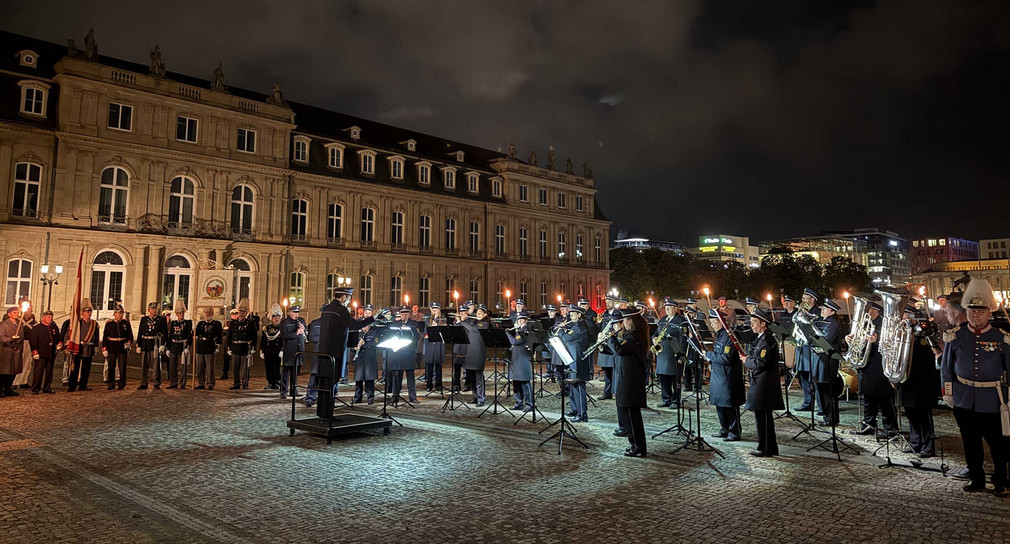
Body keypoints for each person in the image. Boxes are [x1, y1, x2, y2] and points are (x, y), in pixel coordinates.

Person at [941, 279, 1010, 495]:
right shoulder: (955, 337)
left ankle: (1001, 481)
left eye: (980, 311)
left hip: (993, 399)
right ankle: (977, 478)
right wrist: (949, 394)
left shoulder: (1002, 338)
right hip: (964, 399)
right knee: (970, 444)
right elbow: (946, 369)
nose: (975, 315)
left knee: (998, 445)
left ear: (989, 312)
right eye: (971, 310)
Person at [313, 285, 375, 417]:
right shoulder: (341, 310)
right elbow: (355, 325)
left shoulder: (326, 309)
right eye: (348, 298)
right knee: (332, 385)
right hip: (335, 353)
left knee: (323, 385)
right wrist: (371, 319)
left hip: (323, 353)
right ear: (344, 297)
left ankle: (321, 413)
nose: (348, 301)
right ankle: (328, 415)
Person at [848, 302, 898, 437]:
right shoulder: (863, 324)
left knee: (885, 399)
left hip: (880, 366)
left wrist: (876, 341)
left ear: (875, 310)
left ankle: (891, 428)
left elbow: (890, 344)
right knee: (868, 398)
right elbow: (859, 344)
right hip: (867, 366)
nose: (866, 312)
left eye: (868, 309)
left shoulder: (884, 324)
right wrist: (851, 340)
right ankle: (868, 425)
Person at [608, 307, 649, 457]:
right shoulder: (629, 336)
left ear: (630, 321)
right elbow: (617, 350)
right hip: (626, 379)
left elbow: (619, 349)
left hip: (632, 382)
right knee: (627, 414)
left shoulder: (635, 338)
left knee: (632, 416)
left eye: (624, 320)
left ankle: (639, 447)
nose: (622, 323)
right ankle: (634, 445)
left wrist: (610, 336)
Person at [742, 309, 783, 456]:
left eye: (754, 323)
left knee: (763, 417)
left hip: (764, 384)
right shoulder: (761, 338)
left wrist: (747, 360)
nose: (751, 326)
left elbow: (761, 362)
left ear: (763, 324)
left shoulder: (766, 340)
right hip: (761, 382)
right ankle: (767, 446)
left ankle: (765, 447)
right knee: (761, 416)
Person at [901, 305, 938, 457]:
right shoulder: (902, 332)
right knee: (911, 413)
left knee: (923, 414)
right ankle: (916, 443)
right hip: (907, 378)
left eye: (904, 315)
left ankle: (928, 446)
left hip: (922, 380)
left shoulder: (923, 332)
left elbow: (925, 355)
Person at [705, 309, 744, 441]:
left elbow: (726, 358)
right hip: (718, 375)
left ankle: (734, 431)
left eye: (714, 323)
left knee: (729, 405)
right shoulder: (719, 335)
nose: (712, 325)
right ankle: (724, 428)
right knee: (719, 404)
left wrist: (709, 355)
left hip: (728, 377)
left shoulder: (728, 336)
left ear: (721, 322)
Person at [813, 299, 843, 426]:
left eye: (825, 309)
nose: (822, 311)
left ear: (832, 311)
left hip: (828, 360)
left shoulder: (833, 324)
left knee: (828, 390)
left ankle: (832, 418)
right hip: (820, 359)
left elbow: (826, 340)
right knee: (821, 388)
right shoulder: (822, 322)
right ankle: (826, 416)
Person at [654, 297, 687, 408]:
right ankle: (666, 399)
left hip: (673, 354)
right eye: (666, 308)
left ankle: (675, 401)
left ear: (675, 308)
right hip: (662, 354)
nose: (667, 310)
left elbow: (683, 339)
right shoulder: (663, 320)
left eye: (670, 308)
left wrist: (680, 355)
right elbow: (655, 333)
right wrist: (654, 339)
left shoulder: (681, 321)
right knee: (664, 378)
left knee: (675, 379)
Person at [561, 303, 592, 421]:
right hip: (573, 359)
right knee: (572, 384)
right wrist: (565, 329)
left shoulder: (579, 327)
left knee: (579, 387)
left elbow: (566, 338)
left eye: (573, 314)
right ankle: (574, 409)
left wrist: (562, 331)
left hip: (578, 361)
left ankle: (582, 414)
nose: (571, 316)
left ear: (579, 315)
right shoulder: (576, 326)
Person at [794, 288, 822, 414]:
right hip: (802, 347)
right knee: (804, 376)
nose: (803, 300)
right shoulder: (800, 312)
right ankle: (807, 402)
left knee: (814, 378)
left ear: (812, 299)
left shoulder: (818, 312)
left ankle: (822, 406)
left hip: (812, 349)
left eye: (805, 298)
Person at [64, 299, 99, 392]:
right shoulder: (77, 322)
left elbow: (96, 336)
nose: (89, 313)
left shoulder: (94, 324)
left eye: (90, 312)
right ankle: (72, 385)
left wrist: (96, 347)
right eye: (87, 312)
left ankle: (83, 385)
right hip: (78, 347)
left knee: (86, 368)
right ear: (82, 313)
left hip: (88, 348)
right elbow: (70, 333)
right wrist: (68, 342)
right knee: (74, 368)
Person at [389, 307, 420, 403]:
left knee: (410, 376)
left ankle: (412, 397)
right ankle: (395, 395)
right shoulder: (396, 324)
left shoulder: (413, 324)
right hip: (399, 352)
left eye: (406, 313)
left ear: (409, 314)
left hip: (409, 352)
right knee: (397, 376)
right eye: (402, 314)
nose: (404, 315)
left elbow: (417, 337)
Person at [28, 310, 63, 394]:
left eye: (51, 317)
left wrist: (59, 343)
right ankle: (36, 388)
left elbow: (58, 337)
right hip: (41, 352)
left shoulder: (54, 327)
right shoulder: (37, 327)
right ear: (43, 317)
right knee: (38, 372)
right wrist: (35, 352)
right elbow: (33, 341)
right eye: (48, 317)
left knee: (49, 372)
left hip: (51, 352)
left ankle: (47, 387)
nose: (50, 318)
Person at [460, 304, 489, 406]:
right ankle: (475, 397)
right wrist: (464, 319)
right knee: (471, 376)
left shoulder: (484, 324)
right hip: (470, 351)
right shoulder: (473, 322)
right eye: (477, 313)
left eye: (480, 313)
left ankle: (481, 398)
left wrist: (463, 321)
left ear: (485, 314)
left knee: (478, 377)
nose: (478, 314)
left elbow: (473, 329)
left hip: (479, 352)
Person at [506, 311, 535, 412]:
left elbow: (515, 341)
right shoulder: (518, 330)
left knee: (524, 382)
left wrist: (508, 333)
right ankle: (518, 403)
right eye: (518, 320)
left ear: (526, 321)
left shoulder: (525, 330)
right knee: (516, 382)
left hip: (523, 360)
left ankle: (529, 404)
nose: (519, 321)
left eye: (521, 320)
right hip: (515, 359)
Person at [227, 299, 257, 390]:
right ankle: (236, 383)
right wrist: (228, 348)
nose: (241, 314)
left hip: (245, 347)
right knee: (235, 367)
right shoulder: (233, 323)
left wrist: (253, 347)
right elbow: (229, 336)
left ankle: (245, 384)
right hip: (235, 347)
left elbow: (254, 336)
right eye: (240, 312)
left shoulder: (250, 323)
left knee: (245, 368)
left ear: (246, 313)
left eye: (243, 312)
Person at [136, 302, 167, 390]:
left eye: (155, 309)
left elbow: (164, 333)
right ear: (148, 310)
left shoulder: (161, 319)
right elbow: (140, 332)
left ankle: (156, 382)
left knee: (156, 364)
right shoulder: (144, 319)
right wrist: (139, 344)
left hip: (155, 343)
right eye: (152, 309)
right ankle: (143, 382)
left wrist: (163, 345)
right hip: (145, 342)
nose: (154, 310)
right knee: (144, 364)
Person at [102, 305, 133, 390]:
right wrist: (104, 348)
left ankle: (121, 383)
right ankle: (110, 383)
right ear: (114, 314)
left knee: (122, 367)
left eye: (121, 313)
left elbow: (130, 335)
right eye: (118, 313)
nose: (120, 315)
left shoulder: (126, 323)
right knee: (111, 366)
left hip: (122, 346)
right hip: (112, 346)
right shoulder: (109, 324)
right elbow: (105, 337)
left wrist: (129, 343)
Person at [193, 307, 222, 390]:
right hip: (200, 346)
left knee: (210, 367)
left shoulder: (216, 324)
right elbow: (196, 334)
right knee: (200, 366)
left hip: (210, 346)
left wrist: (218, 346)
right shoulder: (200, 323)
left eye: (209, 313)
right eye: (206, 313)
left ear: (212, 314)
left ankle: (210, 383)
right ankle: (201, 383)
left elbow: (219, 336)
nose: (207, 315)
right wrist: (193, 329)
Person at [0, 306, 26, 396]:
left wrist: (18, 340)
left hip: (16, 350)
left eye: (17, 312)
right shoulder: (3, 324)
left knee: (13, 371)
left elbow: (22, 335)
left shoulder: (19, 324)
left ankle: (8, 388)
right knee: (5, 372)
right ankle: (0, 389)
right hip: (7, 351)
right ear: (9, 314)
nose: (17, 314)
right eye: (14, 312)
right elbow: (1, 337)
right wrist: (11, 339)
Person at [166, 300, 192, 389]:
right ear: (176, 314)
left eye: (182, 313)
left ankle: (182, 382)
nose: (181, 315)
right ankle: (173, 382)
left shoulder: (188, 323)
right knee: (173, 366)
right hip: (174, 345)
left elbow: (189, 335)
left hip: (182, 345)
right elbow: (170, 335)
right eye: (179, 313)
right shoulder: (173, 323)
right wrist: (168, 348)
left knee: (183, 366)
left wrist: (188, 346)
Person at [351, 320, 378, 404]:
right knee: (358, 380)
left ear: (369, 326)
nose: (364, 328)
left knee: (369, 380)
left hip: (369, 359)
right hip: (359, 359)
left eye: (365, 326)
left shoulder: (374, 333)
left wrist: (364, 343)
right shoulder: (358, 333)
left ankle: (370, 398)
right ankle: (357, 398)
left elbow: (375, 345)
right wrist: (355, 347)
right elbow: (351, 345)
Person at [422, 302, 447, 392]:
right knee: (429, 366)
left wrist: (437, 326)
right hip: (429, 344)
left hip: (438, 344)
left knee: (438, 366)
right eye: (433, 309)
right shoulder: (428, 319)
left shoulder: (443, 319)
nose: (434, 311)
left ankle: (438, 384)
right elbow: (424, 331)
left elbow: (445, 331)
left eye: (436, 309)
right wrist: (428, 332)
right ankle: (429, 385)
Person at [260, 304, 284, 391]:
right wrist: (262, 350)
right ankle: (270, 382)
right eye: (275, 317)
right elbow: (264, 340)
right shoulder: (267, 328)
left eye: (278, 317)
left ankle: (277, 382)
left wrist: (282, 350)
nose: (277, 319)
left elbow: (284, 340)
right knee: (269, 367)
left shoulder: (282, 328)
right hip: (268, 351)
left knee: (277, 367)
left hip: (278, 351)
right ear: (272, 318)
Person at [12, 301, 35, 389]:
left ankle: (23, 381)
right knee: (18, 362)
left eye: (31, 309)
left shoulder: (33, 320)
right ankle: (15, 381)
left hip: (29, 342)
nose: (30, 310)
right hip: (20, 343)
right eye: (29, 309)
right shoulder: (18, 320)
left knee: (27, 362)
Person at [451, 304, 470, 393]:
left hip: (467, 347)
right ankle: (456, 385)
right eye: (461, 312)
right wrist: (458, 322)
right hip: (458, 347)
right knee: (457, 368)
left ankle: (468, 384)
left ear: (467, 312)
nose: (462, 313)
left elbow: (467, 331)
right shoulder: (456, 321)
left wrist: (461, 322)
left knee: (468, 367)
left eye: (464, 311)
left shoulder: (470, 321)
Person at [220, 308, 238, 380]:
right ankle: (225, 373)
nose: (234, 316)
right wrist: (224, 331)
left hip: (235, 342)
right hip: (228, 342)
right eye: (233, 314)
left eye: (235, 314)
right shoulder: (227, 322)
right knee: (226, 359)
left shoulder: (238, 322)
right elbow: (223, 333)